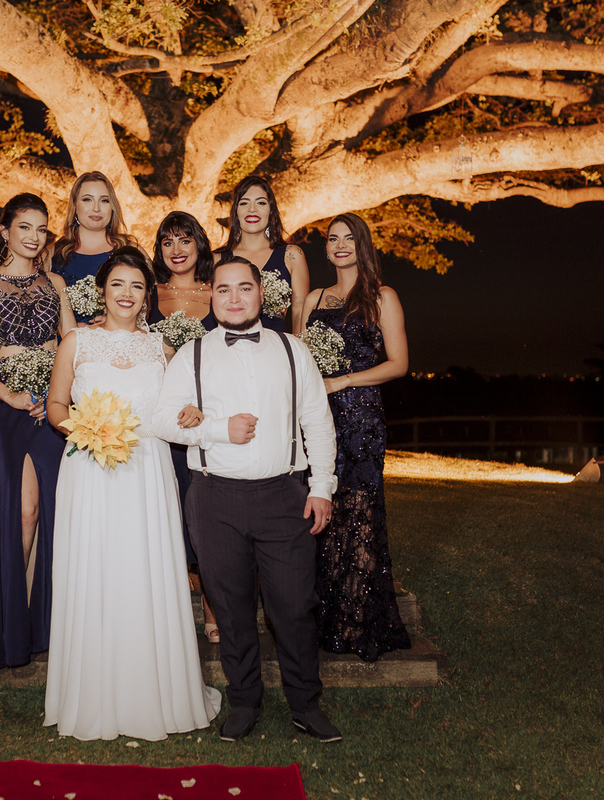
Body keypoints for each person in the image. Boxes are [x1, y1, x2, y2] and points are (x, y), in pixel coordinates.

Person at [152, 256, 343, 743]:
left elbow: (318, 422)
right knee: (231, 607)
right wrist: (218, 431)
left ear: (261, 293)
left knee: (295, 606)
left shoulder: (293, 350)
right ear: (210, 297)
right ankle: (243, 702)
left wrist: (321, 487)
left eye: (244, 288)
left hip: (284, 496)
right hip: (214, 498)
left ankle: (306, 704)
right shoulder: (190, 353)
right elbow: (163, 421)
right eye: (223, 290)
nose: (234, 298)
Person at [44, 247, 222, 741]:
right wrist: (85, 428)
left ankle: (156, 692)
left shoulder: (160, 346)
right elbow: (56, 405)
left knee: (145, 570)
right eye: (117, 284)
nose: (126, 293)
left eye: (137, 286)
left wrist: (191, 412)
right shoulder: (75, 342)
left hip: (146, 469)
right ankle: (93, 692)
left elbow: (172, 409)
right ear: (102, 290)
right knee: (96, 569)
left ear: (148, 296)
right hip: (90, 467)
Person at [0, 194, 76, 669]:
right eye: (24, 227)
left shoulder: (57, 283)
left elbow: (72, 342)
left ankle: (47, 628)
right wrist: (8, 395)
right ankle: (10, 630)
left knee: (54, 513)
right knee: (24, 513)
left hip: (54, 405)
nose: (34, 236)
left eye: (41, 229)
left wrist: (59, 396)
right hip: (12, 406)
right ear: (5, 231)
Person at [299, 213, 412, 662]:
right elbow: (299, 358)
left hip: (361, 417)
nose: (341, 245)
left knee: (360, 512)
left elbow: (399, 363)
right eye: (333, 239)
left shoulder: (382, 296)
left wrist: (344, 381)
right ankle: (325, 617)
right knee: (322, 513)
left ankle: (359, 621)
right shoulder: (312, 299)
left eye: (349, 238)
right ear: (326, 250)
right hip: (317, 418)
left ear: (362, 245)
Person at [147, 211, 220, 641]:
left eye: (184, 241)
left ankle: (214, 613)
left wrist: (203, 403)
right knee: (166, 515)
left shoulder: (217, 290)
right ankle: (168, 620)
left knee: (206, 516)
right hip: (160, 415)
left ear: (199, 245)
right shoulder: (148, 292)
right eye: (167, 242)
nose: (176, 250)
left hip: (205, 413)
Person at [214, 176, 309, 334]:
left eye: (261, 203)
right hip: (228, 350)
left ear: (271, 210)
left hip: (278, 348)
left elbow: (300, 311)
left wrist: (297, 354)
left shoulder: (292, 255)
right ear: (236, 211)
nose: (252, 209)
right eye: (244, 203)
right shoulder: (217, 258)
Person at [50, 172, 139, 324]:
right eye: (87, 199)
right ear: (75, 205)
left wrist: (116, 320)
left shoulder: (131, 249)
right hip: (65, 344)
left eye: (104, 200)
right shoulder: (53, 253)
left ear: (112, 207)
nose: (96, 208)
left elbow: (150, 303)